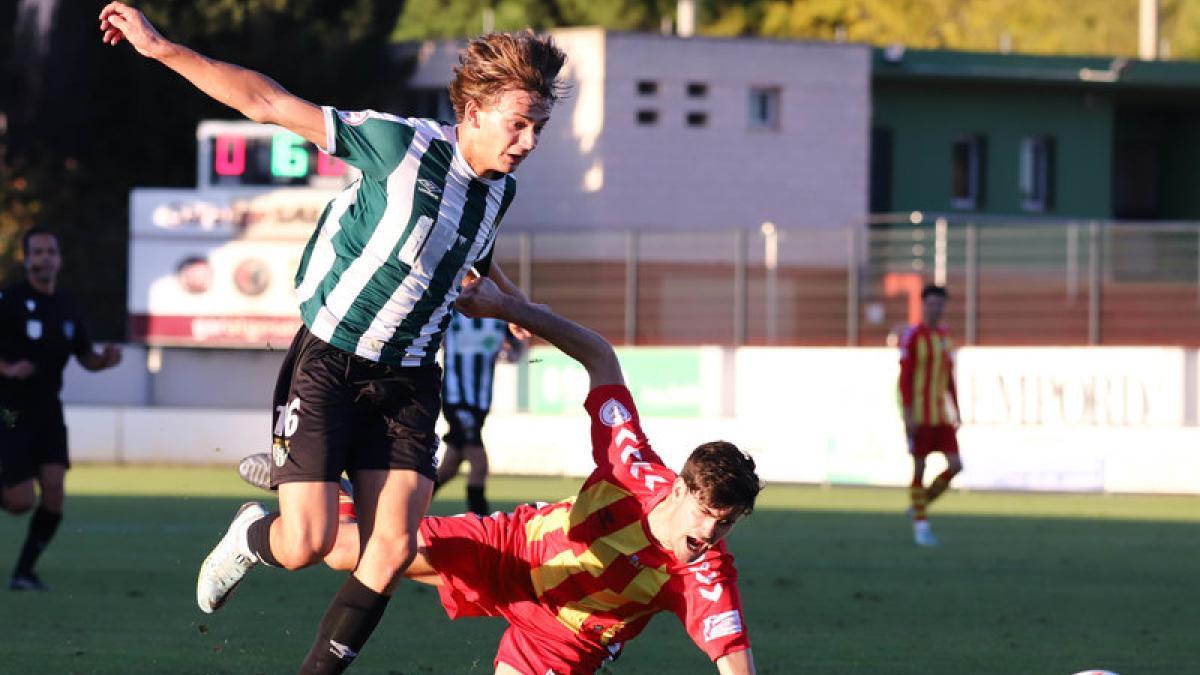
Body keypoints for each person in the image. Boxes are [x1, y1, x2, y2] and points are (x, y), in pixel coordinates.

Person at [100, 4, 566, 672]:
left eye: (538, 128)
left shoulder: (501, 191)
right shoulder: (397, 145)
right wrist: (160, 48)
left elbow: (472, 250)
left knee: (392, 547)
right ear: (472, 110)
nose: (527, 141)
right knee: (305, 542)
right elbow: (266, 102)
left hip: (409, 379)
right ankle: (251, 532)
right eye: (517, 123)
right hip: (333, 359)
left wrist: (514, 304)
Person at [240, 276, 762, 674]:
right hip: (510, 550)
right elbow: (601, 356)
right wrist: (513, 308)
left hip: (563, 636)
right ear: (679, 488)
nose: (710, 534)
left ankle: (324, 491)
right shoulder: (632, 467)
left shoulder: (706, 574)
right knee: (338, 550)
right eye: (707, 514)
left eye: (726, 524)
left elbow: (733, 655)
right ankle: (273, 518)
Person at [0, 228, 123, 591]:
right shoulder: (8, 300)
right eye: (37, 252)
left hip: (48, 411)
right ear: (26, 259)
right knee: (21, 502)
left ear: (59, 258)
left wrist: (105, 361)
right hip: (9, 411)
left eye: (50, 251)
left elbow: (85, 356)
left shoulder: (67, 306)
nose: (44, 257)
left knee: (54, 492)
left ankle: (24, 573)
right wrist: (7, 369)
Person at [435, 310, 523, 515]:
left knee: (449, 467)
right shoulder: (451, 311)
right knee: (479, 464)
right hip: (456, 399)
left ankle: (410, 509)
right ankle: (482, 520)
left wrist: (510, 351)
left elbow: (515, 351)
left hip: (480, 403)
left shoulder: (498, 317)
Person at [897, 284, 963, 547]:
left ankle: (919, 505)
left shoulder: (945, 336)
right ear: (924, 305)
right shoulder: (913, 335)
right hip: (921, 415)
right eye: (932, 303)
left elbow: (948, 377)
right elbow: (905, 377)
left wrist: (956, 408)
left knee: (956, 464)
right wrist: (908, 414)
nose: (936, 308)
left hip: (941, 416)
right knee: (920, 467)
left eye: (940, 303)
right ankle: (921, 527)